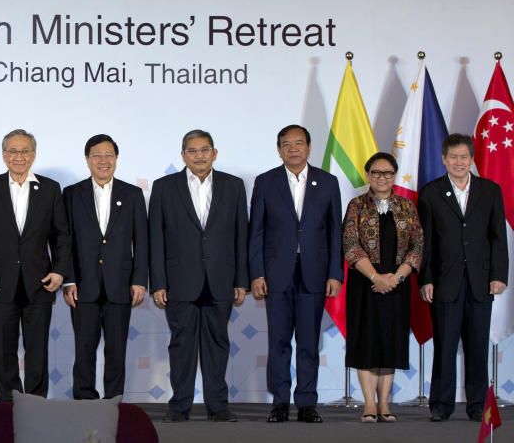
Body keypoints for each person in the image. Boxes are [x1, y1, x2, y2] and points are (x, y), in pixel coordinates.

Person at [149, 130, 247, 422]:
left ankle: (218, 405)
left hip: (221, 278)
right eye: (192, 151)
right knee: (181, 345)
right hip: (179, 280)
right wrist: (159, 283)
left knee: (218, 343)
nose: (199, 155)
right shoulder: (164, 187)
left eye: (204, 149)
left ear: (214, 153)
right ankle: (179, 405)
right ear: (183, 156)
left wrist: (242, 280)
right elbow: (156, 237)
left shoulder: (234, 186)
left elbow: (241, 235)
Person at [249, 124, 343, 423]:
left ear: (309, 147)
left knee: (307, 342)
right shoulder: (265, 182)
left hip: (314, 274)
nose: (293, 148)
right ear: (279, 150)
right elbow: (257, 232)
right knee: (278, 341)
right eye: (286, 144)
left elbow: (334, 233)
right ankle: (279, 401)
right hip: (276, 274)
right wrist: (257, 273)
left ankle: (306, 402)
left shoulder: (327, 182)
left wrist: (335, 273)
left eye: (299, 143)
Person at [0, 129, 72, 402]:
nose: (18, 157)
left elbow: (61, 235)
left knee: (37, 349)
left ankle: (36, 405)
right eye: (13, 151)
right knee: (3, 349)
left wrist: (60, 270)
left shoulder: (50, 189)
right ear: (4, 155)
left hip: (40, 283)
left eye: (24, 151)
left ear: (34, 155)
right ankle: (9, 405)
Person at [419, 134, 508, 422]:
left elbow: (498, 237)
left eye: (464, 156)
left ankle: (478, 406)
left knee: (477, 346)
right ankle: (441, 405)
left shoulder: (490, 190)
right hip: (445, 281)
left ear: (472, 159)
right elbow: (426, 241)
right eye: (453, 157)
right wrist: (426, 279)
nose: (459, 162)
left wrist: (499, 275)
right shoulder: (431, 192)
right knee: (444, 345)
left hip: (482, 282)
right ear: (444, 159)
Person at [62, 134, 148, 400]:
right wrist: (68, 280)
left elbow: (142, 241)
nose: (103, 160)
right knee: (84, 348)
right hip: (83, 285)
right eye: (97, 155)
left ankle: (114, 401)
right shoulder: (72, 194)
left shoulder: (132, 194)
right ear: (87, 160)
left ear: (116, 159)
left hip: (120, 285)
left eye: (109, 155)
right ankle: (84, 399)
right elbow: (65, 241)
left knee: (116, 349)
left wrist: (139, 280)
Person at [341, 152, 422, 423]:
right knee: (366, 343)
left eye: (387, 173)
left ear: (394, 176)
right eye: (376, 173)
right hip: (364, 286)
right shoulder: (357, 205)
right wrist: (376, 277)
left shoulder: (407, 206)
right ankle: (368, 405)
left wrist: (396, 278)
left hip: (397, 286)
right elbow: (350, 244)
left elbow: (417, 245)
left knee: (391, 343)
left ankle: (385, 404)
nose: (382, 178)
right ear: (368, 176)